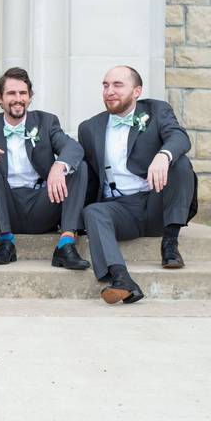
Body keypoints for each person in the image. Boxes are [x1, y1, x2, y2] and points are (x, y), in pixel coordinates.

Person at [79, 65, 196, 305]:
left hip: (157, 203)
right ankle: (122, 279)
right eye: (105, 85)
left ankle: (170, 243)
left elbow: (180, 137)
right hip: (121, 208)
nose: (109, 91)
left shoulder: (156, 111)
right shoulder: (89, 128)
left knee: (181, 163)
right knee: (93, 211)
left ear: (137, 91)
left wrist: (163, 155)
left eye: (118, 85)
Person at [0, 67, 90, 269]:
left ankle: (66, 244)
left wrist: (59, 166)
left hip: (41, 205)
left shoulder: (46, 122)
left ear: (30, 96)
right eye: (11, 93)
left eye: (23, 93)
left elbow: (72, 147)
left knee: (79, 167)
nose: (18, 99)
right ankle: (6, 242)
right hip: (4, 207)